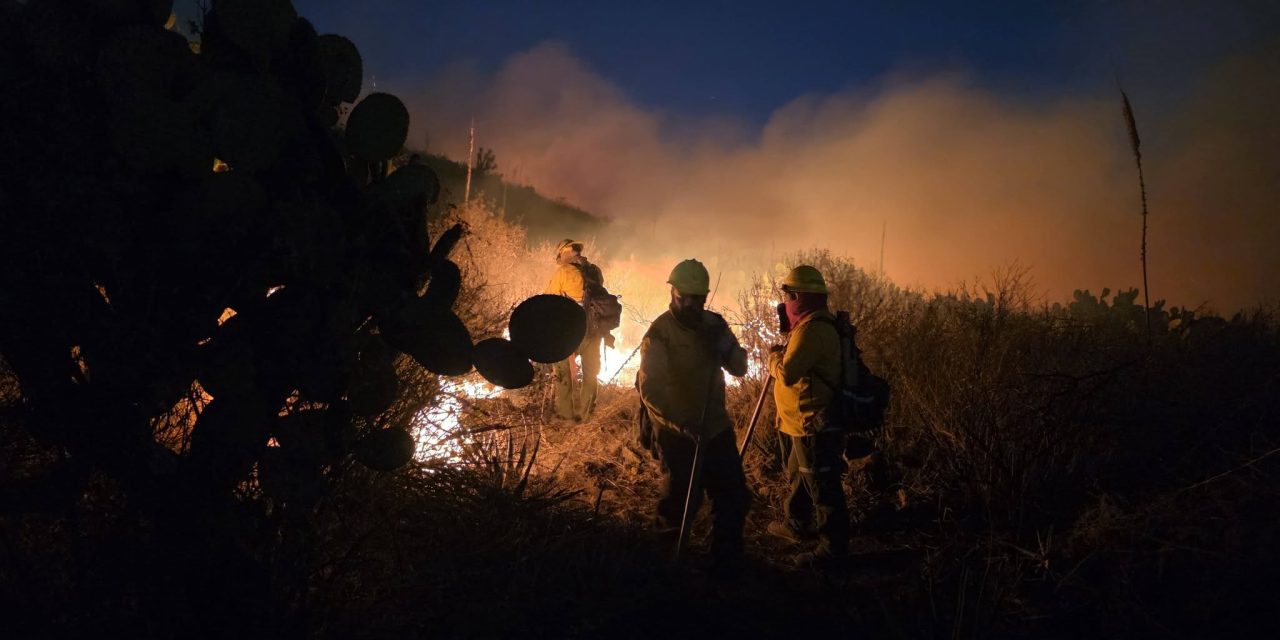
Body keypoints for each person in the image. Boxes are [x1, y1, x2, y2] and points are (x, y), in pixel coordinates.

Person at [637, 259, 750, 569]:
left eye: (700, 298)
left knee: (733, 496)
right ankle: (666, 564)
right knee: (679, 502)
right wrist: (682, 424)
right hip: (676, 431)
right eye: (688, 297)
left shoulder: (714, 325)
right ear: (674, 293)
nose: (694, 304)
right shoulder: (659, 334)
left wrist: (724, 348)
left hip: (714, 426)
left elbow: (740, 368)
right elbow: (651, 391)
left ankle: (726, 561)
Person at [766, 264, 848, 567]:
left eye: (789, 294)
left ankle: (832, 549)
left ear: (800, 296)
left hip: (813, 421)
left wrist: (773, 358)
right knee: (801, 475)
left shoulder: (813, 330)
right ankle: (796, 523)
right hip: (799, 421)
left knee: (821, 485)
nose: (785, 301)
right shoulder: (809, 325)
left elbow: (787, 373)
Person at [545, 239, 605, 421]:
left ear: (565, 252)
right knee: (590, 373)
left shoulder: (563, 271)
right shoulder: (594, 270)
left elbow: (548, 300)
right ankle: (586, 416)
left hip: (569, 329)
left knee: (562, 371)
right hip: (594, 329)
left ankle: (566, 417)